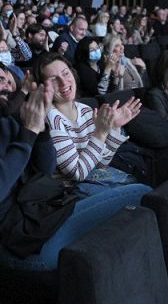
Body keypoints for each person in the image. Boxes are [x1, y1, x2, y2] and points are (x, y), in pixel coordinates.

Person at [0, 60, 152, 271]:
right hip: (17, 239)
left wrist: (41, 129)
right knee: (142, 195)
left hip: (42, 217)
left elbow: (44, 171)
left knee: (124, 232)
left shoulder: (8, 124)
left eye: (8, 81)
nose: (8, 87)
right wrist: (28, 132)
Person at [35, 53, 152, 197]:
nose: (63, 82)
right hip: (68, 195)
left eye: (66, 73)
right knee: (142, 193)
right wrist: (101, 133)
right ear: (42, 88)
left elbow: (101, 165)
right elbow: (78, 173)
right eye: (53, 80)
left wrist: (114, 128)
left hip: (91, 183)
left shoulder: (85, 110)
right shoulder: (51, 119)